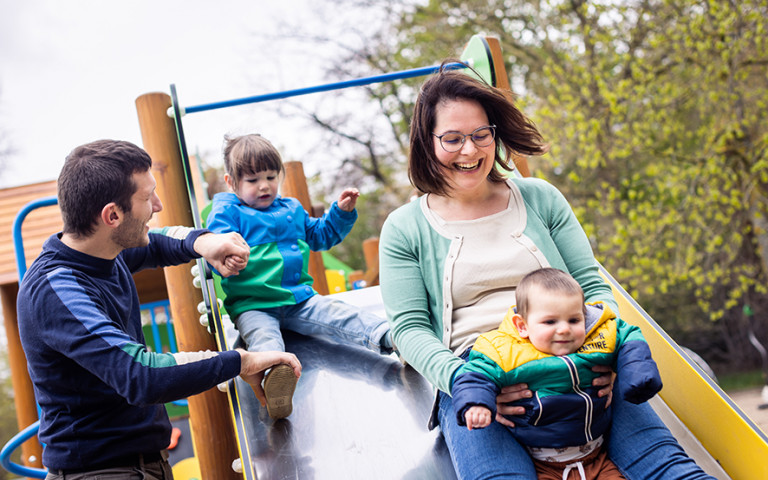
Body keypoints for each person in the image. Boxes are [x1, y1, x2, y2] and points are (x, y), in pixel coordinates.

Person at [378, 63, 715, 479]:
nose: (470, 150)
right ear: (426, 142)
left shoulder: (540, 199)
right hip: (481, 376)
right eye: (452, 138)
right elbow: (410, 328)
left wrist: (605, 352)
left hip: (576, 354)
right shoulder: (405, 227)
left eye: (481, 134)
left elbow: (593, 286)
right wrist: (467, 385)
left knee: (665, 465)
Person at [17, 139, 302, 479]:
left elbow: (157, 243)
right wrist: (240, 361)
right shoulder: (57, 289)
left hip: (141, 463)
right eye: (146, 197)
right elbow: (141, 375)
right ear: (112, 215)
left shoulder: (102, 250)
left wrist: (206, 242)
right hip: (100, 472)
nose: (158, 204)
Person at [206, 133, 394, 420]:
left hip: (299, 299)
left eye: (270, 176)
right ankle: (275, 380)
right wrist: (226, 255)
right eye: (253, 180)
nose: (264, 185)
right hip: (254, 305)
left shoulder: (290, 208)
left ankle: (391, 336)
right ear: (232, 183)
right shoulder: (228, 212)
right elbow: (216, 244)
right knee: (265, 340)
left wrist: (340, 213)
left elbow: (320, 236)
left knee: (337, 313)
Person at [452, 268, 662, 480]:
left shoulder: (596, 340)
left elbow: (628, 337)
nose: (564, 329)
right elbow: (476, 374)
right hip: (545, 466)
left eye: (573, 320)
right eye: (550, 322)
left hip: (596, 458)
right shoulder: (508, 353)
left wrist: (637, 374)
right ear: (522, 326)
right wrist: (476, 403)